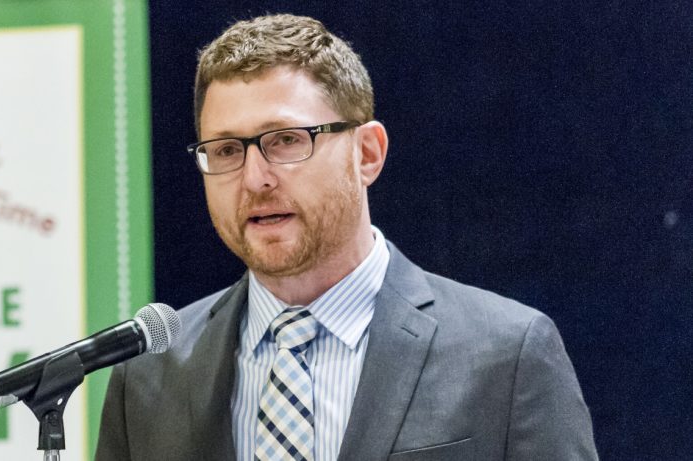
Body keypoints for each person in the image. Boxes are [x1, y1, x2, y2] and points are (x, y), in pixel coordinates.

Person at [95, 14, 597, 461]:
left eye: (285, 141)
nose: (254, 178)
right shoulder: (148, 374)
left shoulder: (506, 355)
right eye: (226, 150)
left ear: (368, 153)